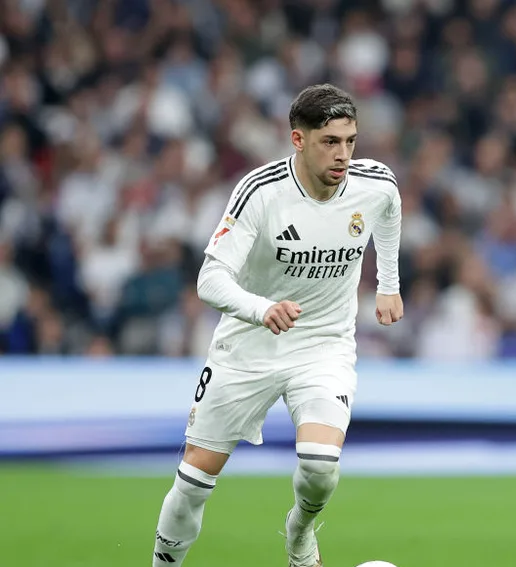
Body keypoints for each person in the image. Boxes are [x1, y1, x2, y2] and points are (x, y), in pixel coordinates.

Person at [150, 84, 404, 567]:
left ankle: (300, 533)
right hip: (248, 345)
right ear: (298, 139)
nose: (344, 154)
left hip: (323, 344)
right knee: (192, 484)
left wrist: (389, 282)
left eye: (351, 140)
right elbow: (210, 279)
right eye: (330, 141)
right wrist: (259, 308)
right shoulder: (261, 192)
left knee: (320, 466)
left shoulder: (375, 184)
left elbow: (389, 210)